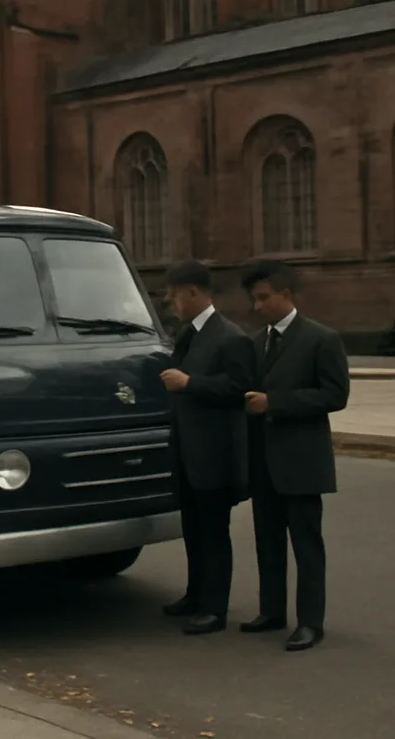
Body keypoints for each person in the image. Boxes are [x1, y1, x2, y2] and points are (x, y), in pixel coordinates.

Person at [239, 260, 350, 652]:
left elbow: (335, 395)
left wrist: (277, 403)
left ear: (286, 295)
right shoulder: (255, 343)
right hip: (263, 462)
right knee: (267, 540)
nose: (258, 306)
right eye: (254, 299)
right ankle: (272, 611)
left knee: (306, 543)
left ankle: (310, 622)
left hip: (302, 461)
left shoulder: (322, 339)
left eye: (264, 298)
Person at [159, 260, 254, 635]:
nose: (171, 303)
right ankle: (195, 595)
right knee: (193, 529)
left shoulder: (230, 337)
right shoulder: (188, 334)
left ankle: (215, 608)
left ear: (194, 293)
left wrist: (190, 383)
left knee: (214, 533)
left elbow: (239, 389)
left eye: (174, 296)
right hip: (187, 451)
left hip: (215, 454)